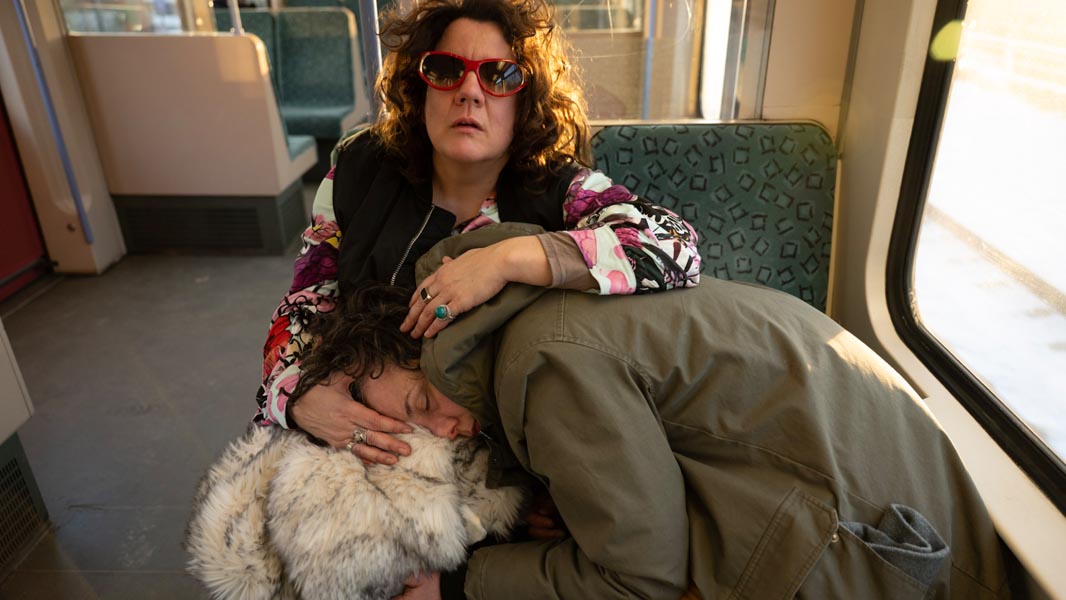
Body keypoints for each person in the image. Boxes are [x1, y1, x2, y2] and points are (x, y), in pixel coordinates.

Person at [351, 225, 1015, 599]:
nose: (443, 433)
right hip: (875, 506)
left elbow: (641, 581)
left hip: (891, 557)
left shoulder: (543, 361)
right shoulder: (557, 301)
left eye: (422, 403)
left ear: (436, 333)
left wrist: (459, 586)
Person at [254, 0, 702, 464]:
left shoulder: (560, 189)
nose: (469, 92)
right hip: (375, 432)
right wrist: (293, 396)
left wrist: (504, 261)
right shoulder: (359, 169)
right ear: (420, 87)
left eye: (499, 76)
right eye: (446, 70)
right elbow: (307, 300)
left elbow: (674, 245)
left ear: (525, 101)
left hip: (507, 448)